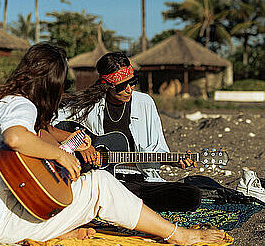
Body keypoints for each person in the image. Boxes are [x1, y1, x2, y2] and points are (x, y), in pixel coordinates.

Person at [0, 44, 224, 245]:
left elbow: (40, 131)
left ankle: (58, 230)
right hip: (0, 228)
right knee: (100, 184)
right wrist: (61, 157)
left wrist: (72, 143)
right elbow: (16, 137)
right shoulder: (23, 105)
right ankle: (179, 235)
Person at [57, 52, 202, 212]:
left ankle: (119, 207)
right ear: (107, 85)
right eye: (121, 86)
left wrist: (173, 160)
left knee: (191, 194)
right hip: (102, 181)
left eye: (132, 82)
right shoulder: (88, 105)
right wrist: (79, 143)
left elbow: (158, 148)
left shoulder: (145, 103)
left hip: (139, 181)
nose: (129, 89)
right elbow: (52, 125)